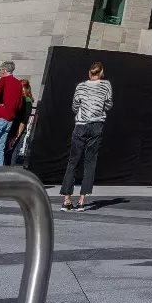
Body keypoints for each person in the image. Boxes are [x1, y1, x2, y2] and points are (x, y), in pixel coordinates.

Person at [60, 60, 111, 211]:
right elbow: (108, 104)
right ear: (101, 72)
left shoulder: (81, 86)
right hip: (96, 126)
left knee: (73, 162)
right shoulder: (106, 85)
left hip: (81, 125)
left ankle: (66, 200)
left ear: (90, 72)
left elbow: (75, 106)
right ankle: (82, 200)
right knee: (90, 162)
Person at [5, 77, 34, 164]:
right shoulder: (19, 100)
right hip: (13, 129)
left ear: (25, 89)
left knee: (12, 154)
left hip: (18, 131)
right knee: (8, 153)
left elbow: (24, 120)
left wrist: (16, 136)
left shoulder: (27, 102)